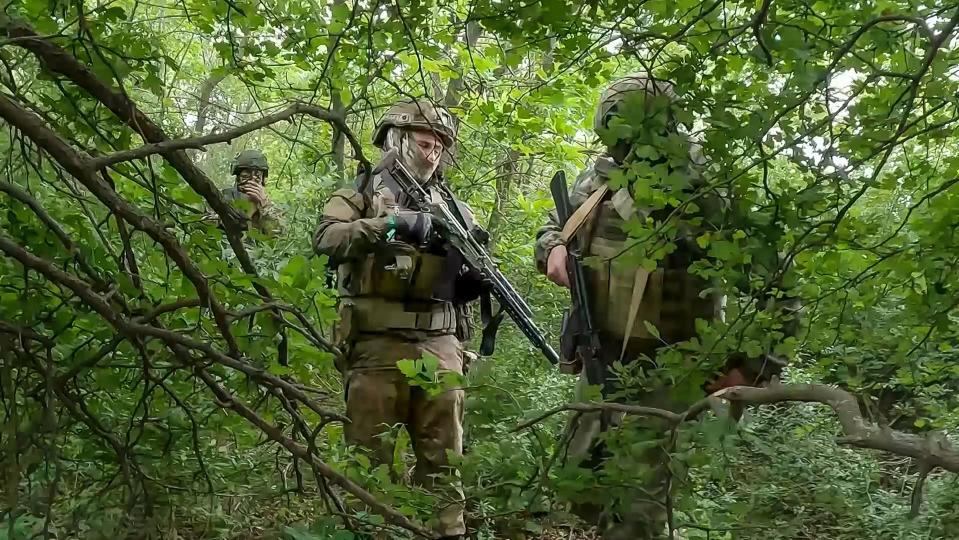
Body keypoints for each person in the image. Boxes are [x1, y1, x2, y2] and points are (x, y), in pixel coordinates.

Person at [534, 74, 800, 539]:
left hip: (671, 371)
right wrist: (553, 247)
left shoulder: (707, 188)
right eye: (614, 129)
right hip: (602, 361)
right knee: (582, 489)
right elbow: (553, 228)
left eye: (632, 128)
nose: (622, 139)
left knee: (639, 511)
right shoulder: (596, 179)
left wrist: (751, 368)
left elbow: (777, 286)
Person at [313, 98, 486, 540]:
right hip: (376, 347)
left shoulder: (457, 211)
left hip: (441, 346)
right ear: (397, 140)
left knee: (445, 465)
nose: (432, 155)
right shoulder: (361, 193)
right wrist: (394, 225)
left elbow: (466, 283)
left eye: (439, 147)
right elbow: (327, 238)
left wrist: (471, 275)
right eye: (424, 144)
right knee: (368, 464)